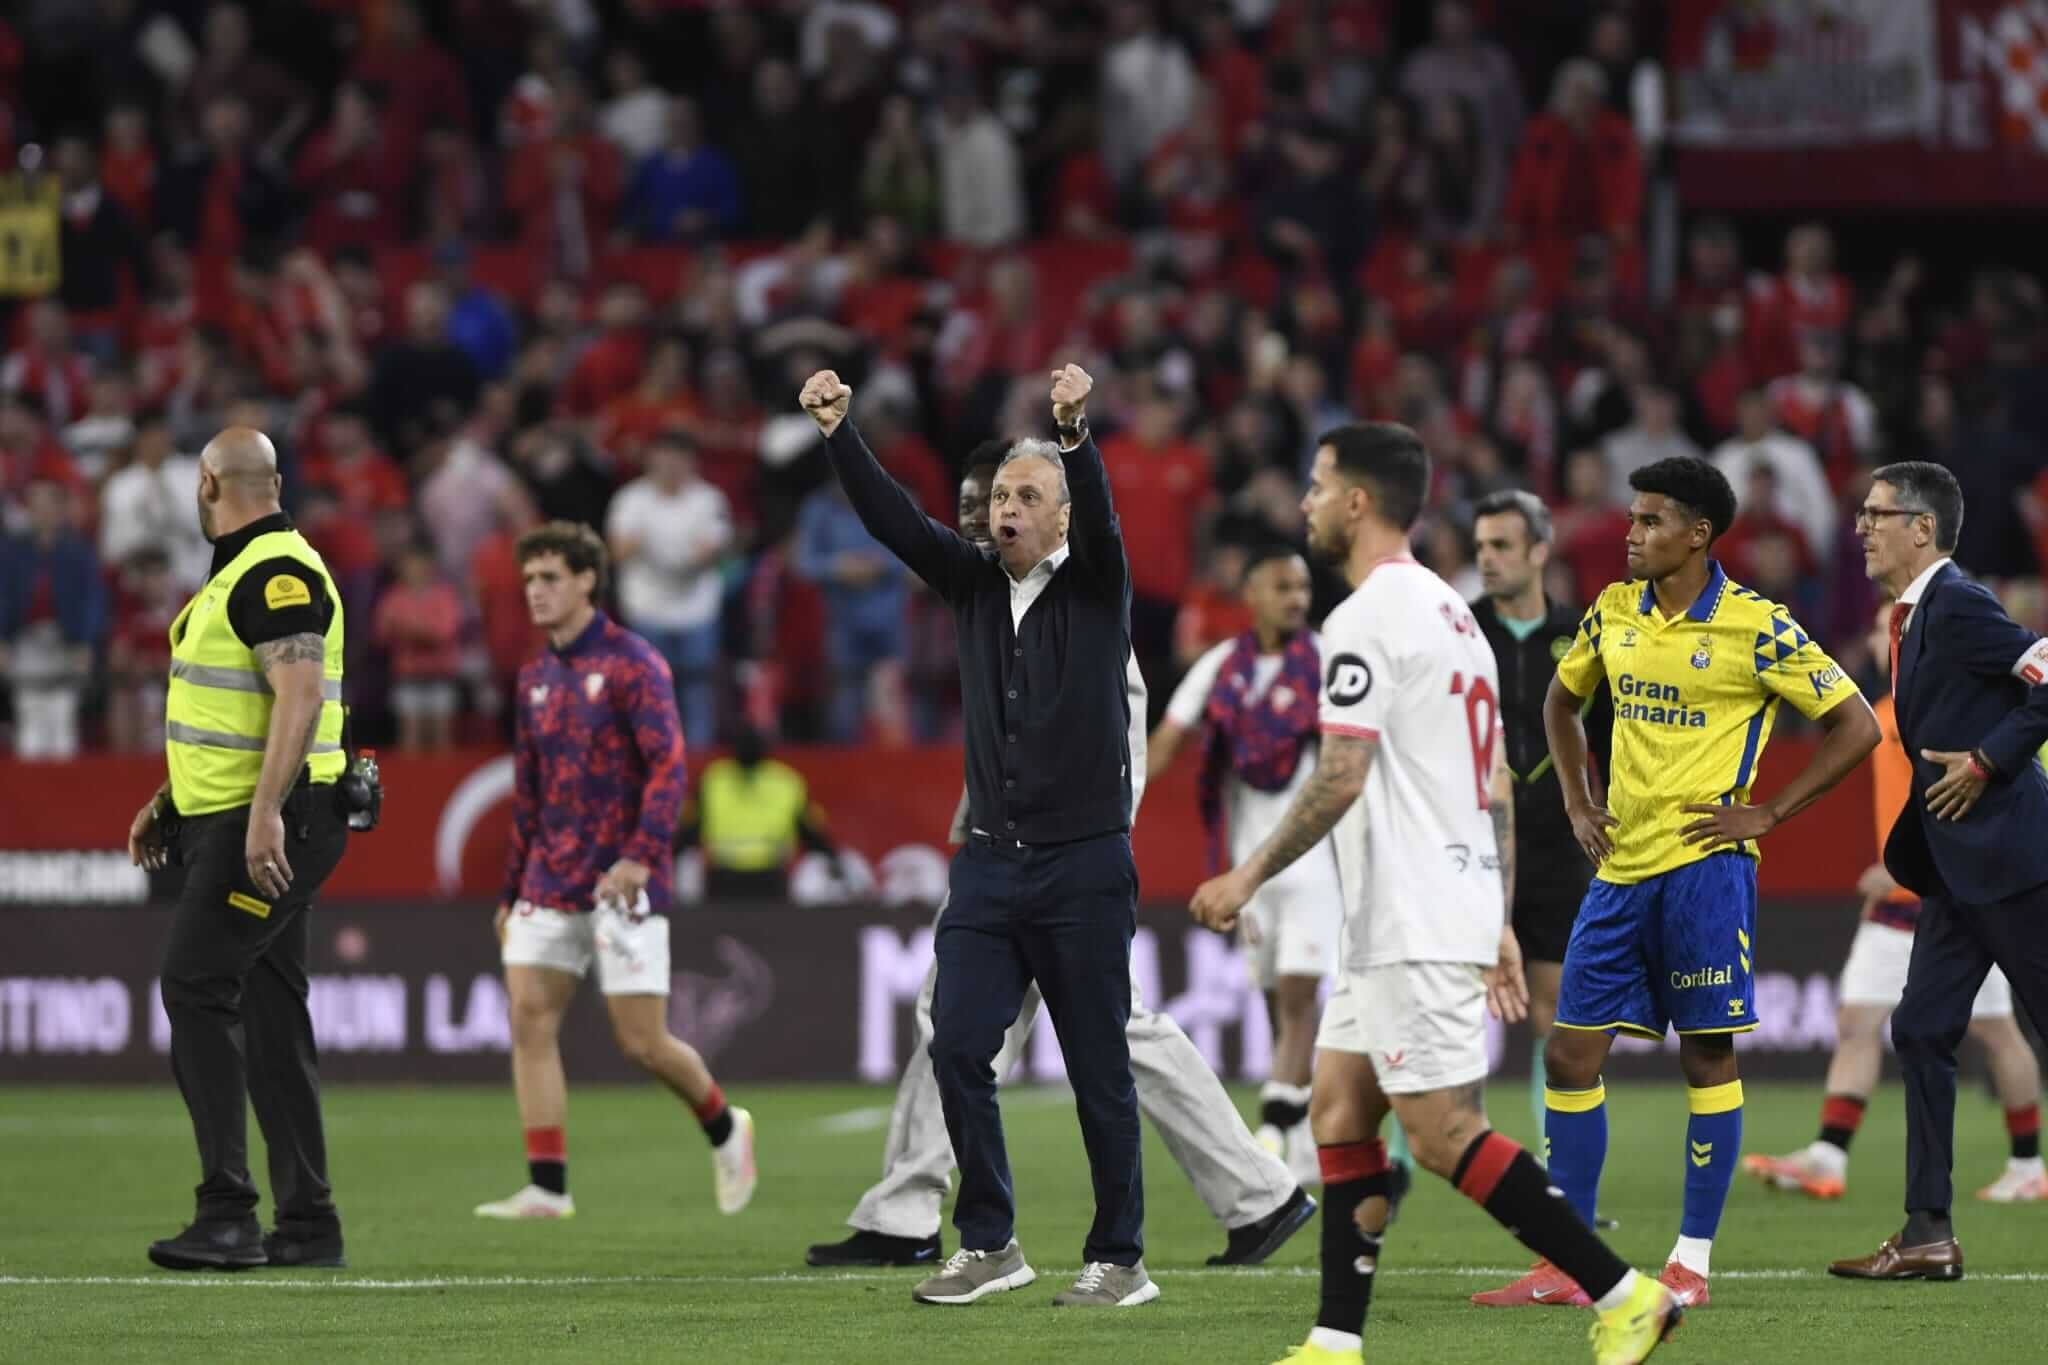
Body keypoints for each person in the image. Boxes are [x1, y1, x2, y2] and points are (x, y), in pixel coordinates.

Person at [1190, 423, 1681, 1365]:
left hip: (1411, 912)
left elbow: (1341, 774)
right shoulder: (1456, 618)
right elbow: (1491, 780)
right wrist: (1495, 913)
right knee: (1338, 1108)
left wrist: (1247, 871)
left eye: (1319, 485)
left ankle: (1627, 1294)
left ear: (1358, 502)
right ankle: (1336, 1339)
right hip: (1413, 909)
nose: (1306, 504)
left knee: (1448, 1130)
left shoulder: (1366, 617)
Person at [803, 449, 1311, 1273]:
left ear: (1057, 513)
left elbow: (1118, 751)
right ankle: (1258, 1195)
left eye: (1003, 500)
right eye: (979, 503)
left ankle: (921, 1213)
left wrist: (1084, 852)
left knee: (1087, 1036)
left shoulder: (1086, 603)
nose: (983, 519)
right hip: (1011, 852)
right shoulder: (989, 596)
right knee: (979, 1028)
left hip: (1068, 858)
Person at [1477, 456, 1878, 1312]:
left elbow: (1856, 723)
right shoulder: (1613, 610)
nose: (1632, 533)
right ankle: (1571, 1259)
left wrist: (1768, 813)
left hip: (1706, 872)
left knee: (1707, 1056)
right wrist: (1582, 799)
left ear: (1698, 533)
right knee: (1568, 1052)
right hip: (1619, 871)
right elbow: (1560, 700)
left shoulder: (1756, 625)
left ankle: (1691, 1260)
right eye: (1632, 518)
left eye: (1652, 520)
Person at [801, 365, 1158, 1309]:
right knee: (956, 1040)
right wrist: (841, 434)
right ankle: (991, 1241)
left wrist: (1075, 436)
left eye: (1026, 495)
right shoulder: (967, 583)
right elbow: (894, 523)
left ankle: (1120, 1258)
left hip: (1084, 861)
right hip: (991, 865)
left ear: (1063, 513)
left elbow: (1110, 523)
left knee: (1097, 1068)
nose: (1004, 507)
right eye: (999, 493)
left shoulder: (1095, 588)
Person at [474, 522, 757, 1222]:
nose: (536, 592)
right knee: (530, 1019)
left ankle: (726, 1125)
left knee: (641, 1042)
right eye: (530, 580)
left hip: (622, 879)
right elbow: (529, 789)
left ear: (587, 581)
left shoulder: (636, 663)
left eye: (550, 578)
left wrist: (641, 854)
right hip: (548, 878)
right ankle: (547, 1183)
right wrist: (511, 888)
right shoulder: (535, 676)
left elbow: (669, 766)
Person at [129, 427, 355, 1271]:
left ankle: (228, 1212)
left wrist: (263, 812)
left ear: (206, 483)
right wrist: (168, 799)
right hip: (252, 812)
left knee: (194, 983)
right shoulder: (249, 571)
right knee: (266, 1002)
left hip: (272, 819)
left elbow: (298, 693)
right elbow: (238, 712)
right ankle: (308, 1221)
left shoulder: (274, 572)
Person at [1747, 601, 2045, 1204]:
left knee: (1997, 1031)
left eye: (1903, 629)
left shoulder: (1961, 715)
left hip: (1955, 890)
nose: (1893, 641)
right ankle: (1828, 1156)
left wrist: (1902, 874)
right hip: (1906, 889)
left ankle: (2026, 1163)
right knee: (1858, 1020)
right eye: (1889, 628)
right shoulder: (1886, 713)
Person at [1829, 462, 2048, 1282]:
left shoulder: (1955, 602)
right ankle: (1927, 1231)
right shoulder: (1914, 615)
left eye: (1877, 513)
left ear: (1922, 527)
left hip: (2015, 861)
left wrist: (1990, 759)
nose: (1861, 527)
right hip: (1960, 871)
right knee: (1920, 1026)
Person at [1148, 546, 1366, 1192]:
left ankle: (1271, 1125)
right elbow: (1170, 735)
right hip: (1246, 866)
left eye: (1302, 587)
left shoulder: (1330, 660)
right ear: (1252, 594)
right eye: (1282, 586)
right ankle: (1302, 1140)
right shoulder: (1223, 665)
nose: (1297, 598)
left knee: (1300, 995)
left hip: (1314, 861)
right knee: (1276, 1001)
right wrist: (1118, 802)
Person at [1469, 490, 1614, 1140]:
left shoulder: (1583, 633)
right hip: (1471, 842)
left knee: (1558, 1012)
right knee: (1445, 1010)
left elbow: (1610, 732)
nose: (1487, 560)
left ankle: (1564, 1170)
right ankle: (1404, 1169)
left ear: (1538, 551)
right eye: (1479, 548)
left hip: (1560, 844)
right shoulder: (1460, 629)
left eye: (1501, 546)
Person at [677, 723, 846, 901]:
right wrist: (836, 860)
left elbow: (688, 832)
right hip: (770, 879)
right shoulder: (786, 781)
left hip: (724, 880)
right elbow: (813, 834)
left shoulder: (714, 779)